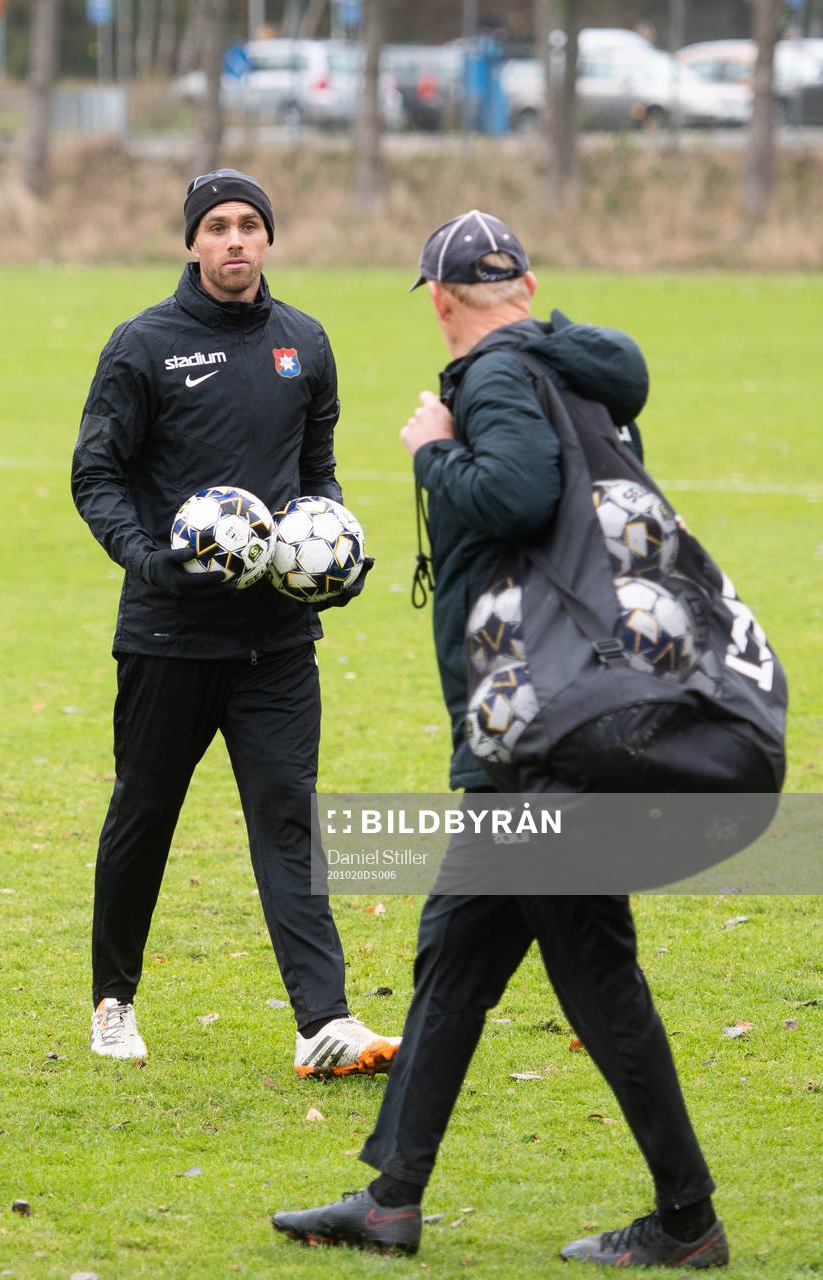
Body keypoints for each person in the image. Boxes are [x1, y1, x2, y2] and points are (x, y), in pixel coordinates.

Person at [271, 211, 729, 1267]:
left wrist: (434, 451)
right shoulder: (581, 378)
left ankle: (688, 1217)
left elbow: (514, 492)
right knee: (455, 958)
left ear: (439, 298)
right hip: (558, 719)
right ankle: (389, 1198)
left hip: (541, 736)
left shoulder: (492, 379)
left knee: (597, 977)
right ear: (524, 284)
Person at [71, 169, 399, 1079]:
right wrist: (145, 557)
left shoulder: (304, 342)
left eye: (249, 225)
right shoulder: (142, 346)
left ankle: (322, 1022)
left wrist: (327, 551)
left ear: (268, 239)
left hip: (277, 644)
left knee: (289, 822)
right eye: (215, 227)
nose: (234, 241)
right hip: (170, 638)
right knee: (144, 816)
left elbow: (318, 469)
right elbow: (93, 475)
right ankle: (113, 1002)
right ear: (191, 243)